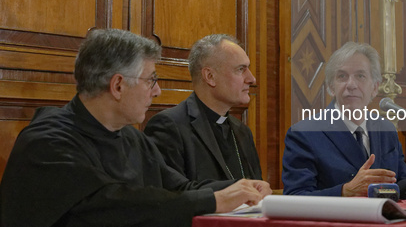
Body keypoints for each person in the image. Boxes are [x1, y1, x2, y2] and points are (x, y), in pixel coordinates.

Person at [0, 29, 270, 227]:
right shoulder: (47, 142)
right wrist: (214, 201)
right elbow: (113, 206)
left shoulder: (131, 137)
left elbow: (178, 188)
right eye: (151, 80)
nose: (157, 91)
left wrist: (240, 188)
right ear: (118, 86)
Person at [282, 41, 406, 197]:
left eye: (360, 76)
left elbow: (404, 182)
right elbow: (295, 198)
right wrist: (345, 191)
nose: (351, 85)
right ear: (331, 87)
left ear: (374, 87)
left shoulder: (386, 129)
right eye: (342, 76)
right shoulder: (304, 134)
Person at [145, 34, 262, 183]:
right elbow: (172, 196)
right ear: (210, 76)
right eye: (241, 69)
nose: (252, 79)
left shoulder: (242, 131)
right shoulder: (169, 127)